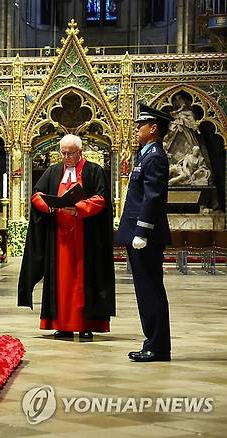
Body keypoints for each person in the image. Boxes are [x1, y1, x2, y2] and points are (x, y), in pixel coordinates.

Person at [18, 134, 115, 340]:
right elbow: (36, 195)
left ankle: (86, 324)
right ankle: (61, 324)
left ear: (80, 152)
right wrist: (50, 207)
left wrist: (78, 207)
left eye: (70, 153)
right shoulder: (53, 171)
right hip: (58, 239)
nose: (66, 157)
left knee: (83, 282)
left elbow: (101, 199)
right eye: (63, 153)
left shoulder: (93, 171)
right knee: (60, 282)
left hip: (85, 239)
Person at [116, 103, 174, 362]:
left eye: (141, 125)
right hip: (139, 234)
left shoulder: (156, 157)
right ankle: (152, 341)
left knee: (150, 290)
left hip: (146, 236)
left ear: (154, 128)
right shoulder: (145, 155)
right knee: (145, 290)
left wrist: (142, 231)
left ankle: (158, 346)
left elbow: (152, 197)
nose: (137, 128)